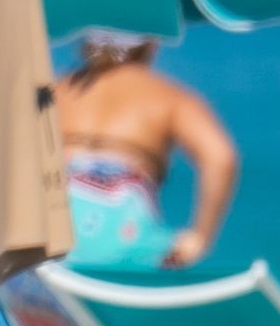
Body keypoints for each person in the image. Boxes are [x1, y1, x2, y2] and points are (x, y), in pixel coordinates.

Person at [55, 30, 239, 269]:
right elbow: (220, 157)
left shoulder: (58, 89)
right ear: (151, 45)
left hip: (54, 230)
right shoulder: (168, 96)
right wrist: (200, 238)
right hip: (123, 236)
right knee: (164, 254)